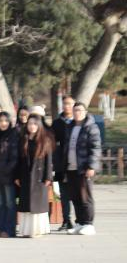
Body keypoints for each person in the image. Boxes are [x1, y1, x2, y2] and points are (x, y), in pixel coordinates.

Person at [64, 102, 101, 236]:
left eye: (80, 110)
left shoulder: (91, 127)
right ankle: (80, 223)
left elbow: (95, 148)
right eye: (75, 110)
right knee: (75, 197)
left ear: (85, 112)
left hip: (84, 168)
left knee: (86, 197)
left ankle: (89, 224)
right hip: (71, 167)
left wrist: (91, 166)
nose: (77, 113)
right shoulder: (70, 127)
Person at [15, 114, 54, 238]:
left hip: (39, 177)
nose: (32, 126)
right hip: (25, 176)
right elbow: (18, 160)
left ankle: (38, 230)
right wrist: (17, 176)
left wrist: (48, 177)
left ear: (39, 125)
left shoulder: (45, 140)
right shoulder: (23, 139)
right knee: (26, 204)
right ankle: (26, 230)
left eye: (35, 124)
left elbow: (49, 160)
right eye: (30, 123)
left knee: (38, 205)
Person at [0, 111, 19, 238]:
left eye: (6, 121)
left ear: (10, 122)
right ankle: (1, 228)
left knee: (10, 204)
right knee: (1, 204)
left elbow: (14, 158)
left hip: (8, 176)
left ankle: (9, 230)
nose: (3, 123)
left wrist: (7, 171)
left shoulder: (13, 135)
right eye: (1, 121)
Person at [51, 95, 75, 231]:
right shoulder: (57, 123)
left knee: (77, 194)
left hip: (75, 163)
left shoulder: (78, 122)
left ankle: (81, 220)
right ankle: (66, 220)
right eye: (65, 103)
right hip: (61, 164)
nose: (67, 106)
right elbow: (52, 144)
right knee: (64, 194)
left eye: (70, 103)